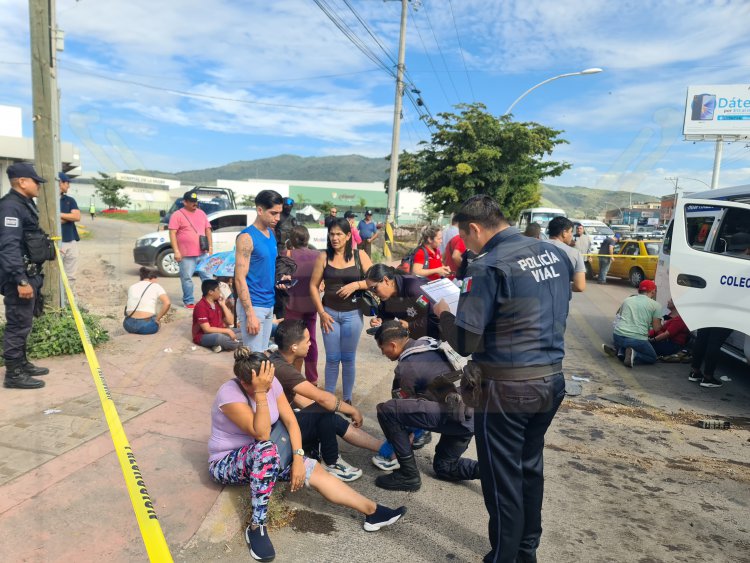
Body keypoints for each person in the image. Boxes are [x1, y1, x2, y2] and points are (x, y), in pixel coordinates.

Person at [433, 195, 572, 563]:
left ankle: (505, 557)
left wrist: (445, 313)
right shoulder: (553, 254)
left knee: (501, 479)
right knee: (529, 469)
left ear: (474, 228)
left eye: (465, 237)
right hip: (550, 379)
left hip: (507, 389)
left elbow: (465, 340)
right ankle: (526, 551)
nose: (466, 245)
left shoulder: (488, 266)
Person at [208, 349, 407, 561]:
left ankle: (372, 511)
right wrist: (260, 393)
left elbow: (291, 422)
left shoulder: (271, 383)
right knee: (265, 449)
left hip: (267, 454)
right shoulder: (230, 395)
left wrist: (298, 459)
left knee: (313, 468)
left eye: (269, 381)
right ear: (245, 382)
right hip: (228, 463)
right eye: (263, 383)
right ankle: (257, 526)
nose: (270, 385)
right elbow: (262, 433)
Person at [271, 320, 389, 480]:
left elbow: (298, 397)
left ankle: (385, 449)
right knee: (325, 409)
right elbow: (322, 398)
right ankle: (332, 462)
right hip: (277, 435)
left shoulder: (278, 360)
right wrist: (352, 410)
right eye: (307, 341)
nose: (310, 344)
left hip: (279, 424)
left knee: (326, 414)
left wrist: (316, 412)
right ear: (294, 347)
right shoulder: (283, 369)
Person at [373, 321, 479, 491]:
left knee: (387, 411)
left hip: (458, 414)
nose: (382, 352)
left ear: (392, 345)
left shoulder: (406, 368)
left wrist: (399, 442)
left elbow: (404, 411)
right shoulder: (426, 342)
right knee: (445, 468)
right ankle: (496, 472)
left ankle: (408, 475)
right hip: (473, 415)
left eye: (382, 348)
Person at [0, 163, 52, 389]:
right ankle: (13, 374)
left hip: (28, 272)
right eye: (35, 181)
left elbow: (28, 239)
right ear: (22, 182)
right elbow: (8, 246)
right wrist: (20, 280)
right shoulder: (10, 207)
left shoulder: (24, 204)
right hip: (18, 277)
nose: (39, 186)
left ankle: (21, 363)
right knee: (18, 324)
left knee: (25, 322)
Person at [309, 217, 373, 403]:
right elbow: (313, 286)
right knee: (332, 358)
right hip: (329, 314)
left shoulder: (360, 255)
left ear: (347, 236)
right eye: (331, 234)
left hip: (353, 315)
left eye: (338, 234)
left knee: (348, 358)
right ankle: (328, 399)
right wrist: (321, 312)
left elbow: (373, 280)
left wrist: (356, 285)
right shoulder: (323, 256)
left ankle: (347, 399)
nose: (334, 238)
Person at [235, 190, 283, 352]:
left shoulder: (270, 233)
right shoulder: (246, 237)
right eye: (273, 213)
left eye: (279, 213)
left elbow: (267, 267)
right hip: (254, 305)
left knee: (261, 355)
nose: (277, 218)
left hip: (269, 303)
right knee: (253, 361)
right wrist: (249, 314)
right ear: (260, 210)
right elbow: (239, 278)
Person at [284, 226, 321, 384]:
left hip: (293, 305)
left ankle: (293, 377)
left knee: (291, 341)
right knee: (310, 340)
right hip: (311, 305)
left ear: (291, 240)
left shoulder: (288, 255)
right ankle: (312, 379)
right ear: (307, 239)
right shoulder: (319, 256)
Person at [365, 263, 440, 340]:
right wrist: (380, 320)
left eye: (374, 288)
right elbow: (386, 313)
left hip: (435, 337)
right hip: (414, 337)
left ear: (386, 280)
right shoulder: (386, 295)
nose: (373, 293)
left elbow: (435, 315)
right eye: (370, 290)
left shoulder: (413, 288)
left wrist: (410, 325)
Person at [168, 190, 212, 308]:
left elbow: (208, 230)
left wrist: (211, 247)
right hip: (186, 254)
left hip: (202, 253)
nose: (195, 204)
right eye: (192, 202)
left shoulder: (201, 213)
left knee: (207, 277)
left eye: (196, 202)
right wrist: (176, 251)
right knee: (187, 278)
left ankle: (208, 299)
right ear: (185, 202)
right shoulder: (177, 215)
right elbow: (172, 233)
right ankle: (189, 301)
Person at [602, 280, 662, 367]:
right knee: (652, 357)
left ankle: (620, 352)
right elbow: (657, 328)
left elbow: (619, 316)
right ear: (653, 291)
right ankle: (634, 354)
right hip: (637, 339)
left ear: (639, 290)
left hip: (618, 336)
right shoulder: (656, 305)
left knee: (627, 343)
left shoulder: (627, 300)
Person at [192, 279, 241, 353]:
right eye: (218, 289)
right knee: (220, 338)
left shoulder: (217, 302)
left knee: (243, 331)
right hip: (204, 336)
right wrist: (227, 331)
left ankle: (220, 345)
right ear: (210, 292)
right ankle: (236, 343)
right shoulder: (201, 306)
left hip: (220, 331)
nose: (220, 292)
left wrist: (223, 305)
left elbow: (231, 322)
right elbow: (207, 329)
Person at [123, 267, 171, 335]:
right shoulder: (155, 286)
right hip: (146, 327)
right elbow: (167, 303)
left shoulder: (132, 286)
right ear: (153, 278)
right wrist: (158, 319)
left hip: (128, 325)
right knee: (156, 320)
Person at [547, 216, 586, 292]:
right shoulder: (574, 253)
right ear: (564, 233)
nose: (571, 235)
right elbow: (580, 286)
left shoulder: (535, 247)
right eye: (571, 231)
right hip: (559, 300)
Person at [58, 172, 80, 286]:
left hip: (70, 241)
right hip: (56, 243)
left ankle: (68, 301)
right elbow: (48, 221)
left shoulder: (70, 200)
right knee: (55, 274)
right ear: (60, 183)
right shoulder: (47, 201)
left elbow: (76, 216)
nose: (68, 186)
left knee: (70, 276)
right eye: (67, 183)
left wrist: (58, 215)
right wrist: (67, 217)